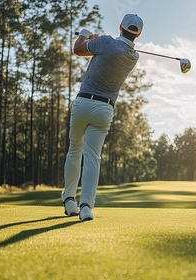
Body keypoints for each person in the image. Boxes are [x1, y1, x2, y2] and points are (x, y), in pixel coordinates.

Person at [61, 14, 144, 221]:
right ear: (138, 35)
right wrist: (96, 39)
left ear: (120, 27)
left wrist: (84, 35)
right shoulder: (133, 56)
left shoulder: (106, 42)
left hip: (83, 103)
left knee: (74, 150)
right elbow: (112, 45)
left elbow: (78, 49)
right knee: (92, 157)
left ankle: (70, 200)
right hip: (104, 109)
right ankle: (87, 207)